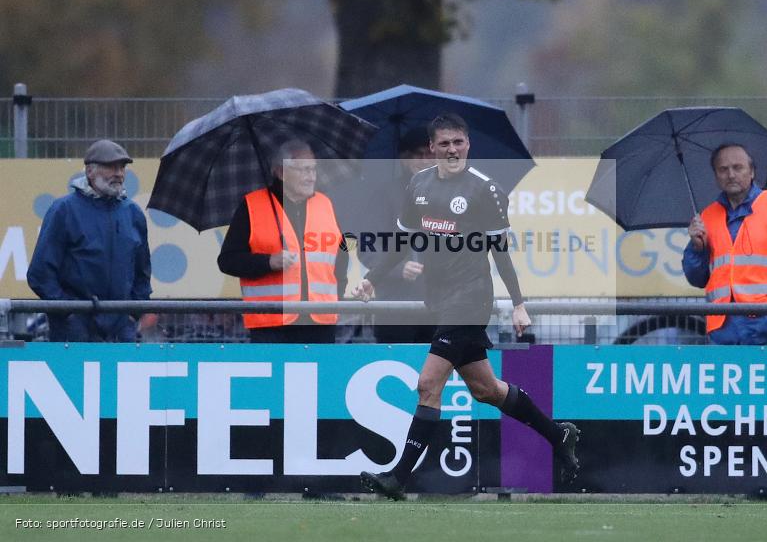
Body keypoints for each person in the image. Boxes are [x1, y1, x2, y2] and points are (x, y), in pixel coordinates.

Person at [353, 113, 579, 500]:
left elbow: (501, 252)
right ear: (432, 148)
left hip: (471, 299)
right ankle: (558, 434)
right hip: (440, 300)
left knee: (428, 384)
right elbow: (401, 242)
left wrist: (519, 304)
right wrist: (372, 277)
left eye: (458, 142)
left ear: (468, 144)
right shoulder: (418, 185)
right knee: (486, 389)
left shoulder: (485, 189)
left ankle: (397, 478)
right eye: (444, 143)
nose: (452, 150)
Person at [218, 140, 348, 343]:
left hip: (320, 323)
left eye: (313, 169)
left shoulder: (326, 204)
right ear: (281, 172)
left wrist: (335, 301)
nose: (311, 177)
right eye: (303, 170)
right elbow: (227, 260)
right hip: (271, 325)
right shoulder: (252, 206)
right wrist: (268, 262)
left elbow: (341, 259)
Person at [682, 143, 767, 345]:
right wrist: (697, 249)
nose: (731, 175)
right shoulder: (706, 217)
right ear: (716, 176)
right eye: (723, 169)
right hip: (722, 330)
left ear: (751, 172)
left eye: (738, 167)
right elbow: (697, 278)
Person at [27, 139, 152, 342]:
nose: (119, 173)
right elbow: (40, 274)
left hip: (121, 333)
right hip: (74, 334)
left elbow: (142, 273)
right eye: (111, 167)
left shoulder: (133, 213)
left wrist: (131, 315)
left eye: (122, 167)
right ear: (89, 171)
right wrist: (69, 313)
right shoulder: (64, 210)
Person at [357, 127, 436, 343]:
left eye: (430, 154)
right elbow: (368, 248)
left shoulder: (449, 195)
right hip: (396, 307)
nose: (425, 160)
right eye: (418, 154)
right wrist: (399, 269)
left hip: (439, 305)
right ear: (404, 158)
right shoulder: (385, 196)